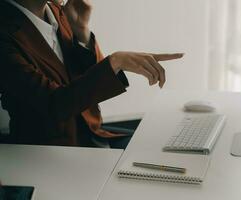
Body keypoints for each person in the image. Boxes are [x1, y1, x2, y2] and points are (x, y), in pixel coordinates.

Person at [0, 0, 183, 148]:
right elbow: (54, 104)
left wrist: (82, 32)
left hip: (92, 135)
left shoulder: (57, 11)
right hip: (47, 151)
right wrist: (116, 62)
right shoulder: (5, 32)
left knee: (162, 149)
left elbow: (86, 85)